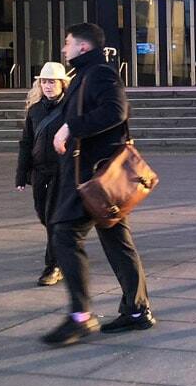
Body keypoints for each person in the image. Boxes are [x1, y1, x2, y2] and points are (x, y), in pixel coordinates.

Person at [43, 22, 154, 347]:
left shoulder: (100, 74)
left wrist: (69, 128)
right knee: (116, 238)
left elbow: (116, 111)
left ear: (84, 47)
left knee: (65, 233)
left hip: (94, 176)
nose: (64, 49)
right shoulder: (85, 75)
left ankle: (81, 316)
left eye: (68, 43)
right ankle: (137, 311)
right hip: (95, 175)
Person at [15, 62, 70, 287]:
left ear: (62, 84)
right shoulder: (35, 110)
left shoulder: (71, 108)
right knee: (44, 216)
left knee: (54, 217)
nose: (47, 86)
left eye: (52, 81)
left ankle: (53, 266)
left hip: (62, 172)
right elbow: (26, 142)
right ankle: (66, 248)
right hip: (39, 171)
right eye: (44, 81)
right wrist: (21, 175)